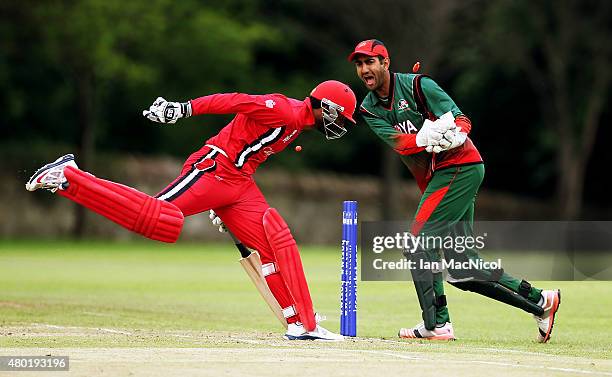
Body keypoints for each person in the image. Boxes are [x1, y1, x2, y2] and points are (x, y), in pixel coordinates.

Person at [26, 80, 357, 341]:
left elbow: (250, 153)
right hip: (214, 168)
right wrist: (183, 109)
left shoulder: (296, 126)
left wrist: (228, 209)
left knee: (274, 244)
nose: (341, 124)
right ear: (325, 107)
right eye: (340, 116)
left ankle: (301, 325)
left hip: (239, 184)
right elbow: (235, 100)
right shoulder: (283, 110)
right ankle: (69, 176)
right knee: (159, 219)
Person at [347, 39, 560, 342]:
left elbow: (461, 119)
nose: (364, 69)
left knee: (419, 244)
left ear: (385, 62)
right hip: (444, 176)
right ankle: (541, 302)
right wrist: (425, 137)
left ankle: (436, 324)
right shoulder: (368, 109)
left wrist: (457, 135)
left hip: (459, 166)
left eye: (370, 62)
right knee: (463, 269)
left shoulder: (419, 86)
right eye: (359, 64)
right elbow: (399, 142)